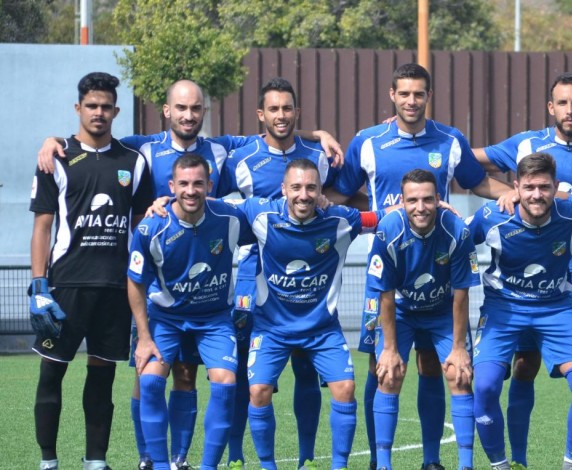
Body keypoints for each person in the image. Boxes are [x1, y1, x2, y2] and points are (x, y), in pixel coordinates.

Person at [36, 78, 342, 470]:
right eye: (181, 108)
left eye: (196, 108)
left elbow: (274, 129)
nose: (188, 115)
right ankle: (149, 457)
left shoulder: (222, 149)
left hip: (204, 287)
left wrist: (317, 134)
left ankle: (183, 458)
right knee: (146, 374)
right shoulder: (143, 147)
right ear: (167, 111)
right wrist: (53, 141)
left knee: (187, 373)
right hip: (156, 286)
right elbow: (97, 140)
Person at [333, 63, 512, 470]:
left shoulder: (450, 140)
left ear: (428, 96)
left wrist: (513, 194)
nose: (411, 101)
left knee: (433, 365)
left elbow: (477, 182)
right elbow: (341, 193)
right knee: (381, 366)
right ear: (392, 96)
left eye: (419, 94)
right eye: (404, 93)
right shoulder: (367, 141)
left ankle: (432, 460)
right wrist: (370, 214)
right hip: (385, 271)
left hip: (436, 267)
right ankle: (378, 460)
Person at [473, 72, 572, 468]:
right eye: (563, 103)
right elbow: (465, 165)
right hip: (510, 298)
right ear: (551, 107)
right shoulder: (524, 147)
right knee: (519, 368)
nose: (570, 110)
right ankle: (513, 461)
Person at [29, 71, 154, 470]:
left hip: (115, 288)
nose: (98, 112)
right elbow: (43, 226)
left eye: (106, 107)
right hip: (65, 286)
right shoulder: (56, 157)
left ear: (116, 111)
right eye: (91, 106)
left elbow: (140, 226)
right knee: (51, 376)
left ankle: (95, 461)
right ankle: (48, 461)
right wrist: (38, 284)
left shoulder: (134, 161)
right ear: (78, 108)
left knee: (102, 379)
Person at [220, 77, 342, 469]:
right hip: (253, 275)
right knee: (246, 369)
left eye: (287, 108)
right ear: (261, 114)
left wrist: (328, 197)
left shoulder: (318, 156)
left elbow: (345, 197)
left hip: (305, 278)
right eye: (273, 108)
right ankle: (237, 454)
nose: (281, 115)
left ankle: (307, 457)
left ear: (297, 111)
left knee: (306, 369)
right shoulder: (241, 158)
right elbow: (207, 195)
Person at [239, 158, 382, 470]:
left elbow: (382, 217)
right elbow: (210, 211)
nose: (303, 195)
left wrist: (432, 206)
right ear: (283, 190)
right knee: (258, 391)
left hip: (321, 330)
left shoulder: (341, 219)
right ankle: (268, 466)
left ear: (320, 192)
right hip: (272, 329)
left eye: (310, 188)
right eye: (296, 188)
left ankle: (338, 466)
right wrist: (165, 204)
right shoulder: (260, 213)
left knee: (345, 388)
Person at [468, 153, 572, 470]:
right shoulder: (493, 215)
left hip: (555, 308)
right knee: (485, 386)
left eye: (544, 187)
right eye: (529, 187)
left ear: (556, 187)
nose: (536, 195)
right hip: (503, 309)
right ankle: (505, 465)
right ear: (516, 187)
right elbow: (456, 240)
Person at [128, 153, 254, 470]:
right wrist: (144, 337)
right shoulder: (151, 227)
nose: (191, 190)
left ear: (209, 186)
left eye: (198, 183)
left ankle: (201, 465)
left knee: (225, 383)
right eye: (183, 184)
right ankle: (157, 463)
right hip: (165, 318)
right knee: (150, 381)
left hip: (214, 319)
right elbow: (135, 281)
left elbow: (276, 216)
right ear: (171, 187)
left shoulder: (229, 217)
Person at [368, 169, 480, 470]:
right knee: (389, 374)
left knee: (459, 373)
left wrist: (459, 348)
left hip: (442, 310)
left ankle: (460, 465)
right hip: (401, 310)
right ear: (402, 202)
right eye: (413, 200)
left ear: (438, 199)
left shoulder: (457, 231)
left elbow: (461, 295)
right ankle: (384, 465)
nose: (421, 207)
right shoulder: (388, 230)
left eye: (428, 199)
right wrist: (389, 349)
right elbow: (385, 296)